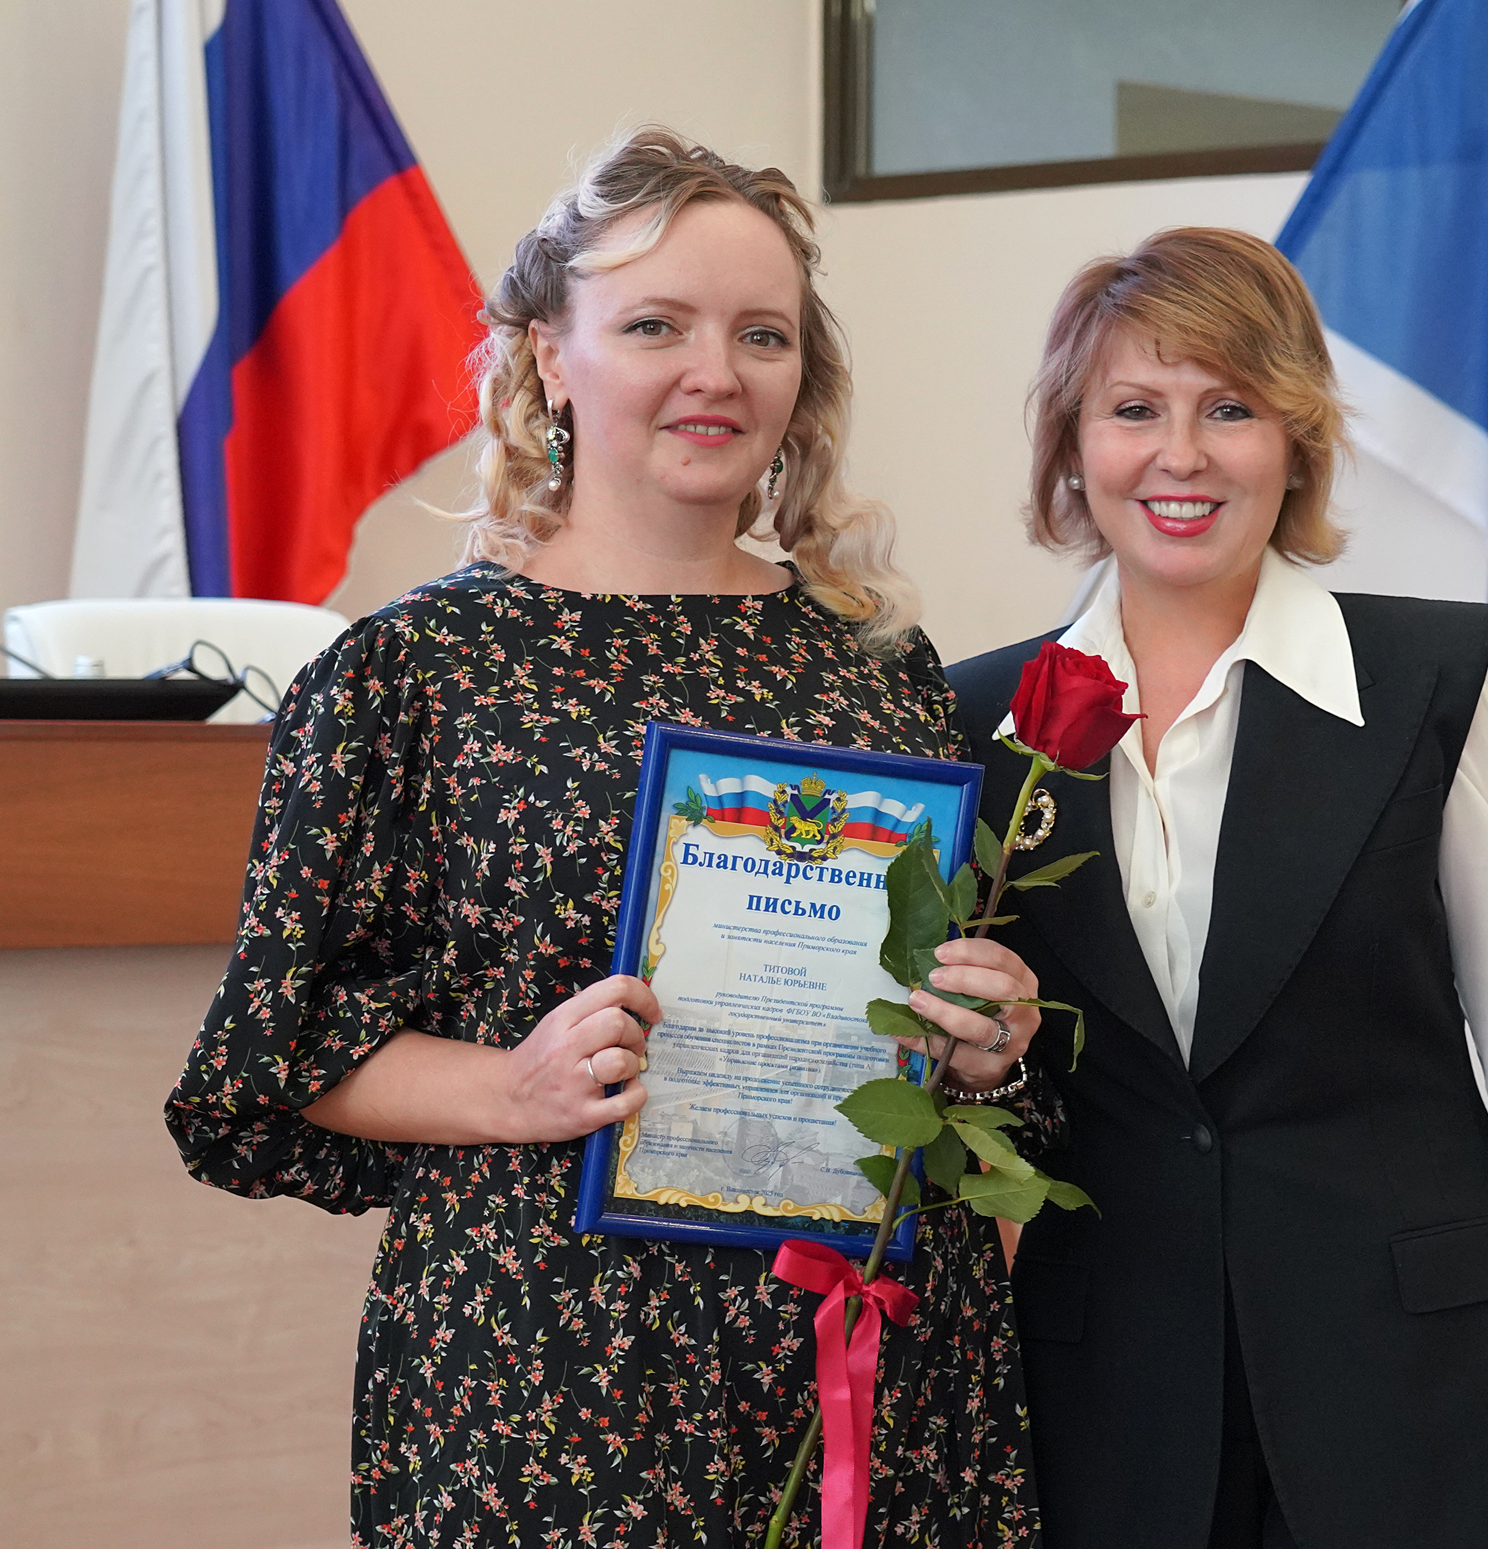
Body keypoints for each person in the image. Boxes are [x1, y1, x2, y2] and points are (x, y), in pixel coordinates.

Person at [166, 128, 1047, 1547]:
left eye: (761, 334)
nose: (717, 372)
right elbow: (281, 1056)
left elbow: (933, 1050)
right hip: (548, 1376)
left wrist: (976, 1039)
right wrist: (512, 1089)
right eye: (655, 326)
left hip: (862, 1362)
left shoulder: (880, 671)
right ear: (548, 357)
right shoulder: (416, 673)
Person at [947, 227, 1488, 1549]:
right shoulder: (973, 718)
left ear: (1296, 440)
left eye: (1228, 409)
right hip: (1103, 1405)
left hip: (1412, 1399)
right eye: (1134, 410)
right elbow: (1001, 1100)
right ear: (1072, 445)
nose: (1181, 455)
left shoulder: (1433, 685)